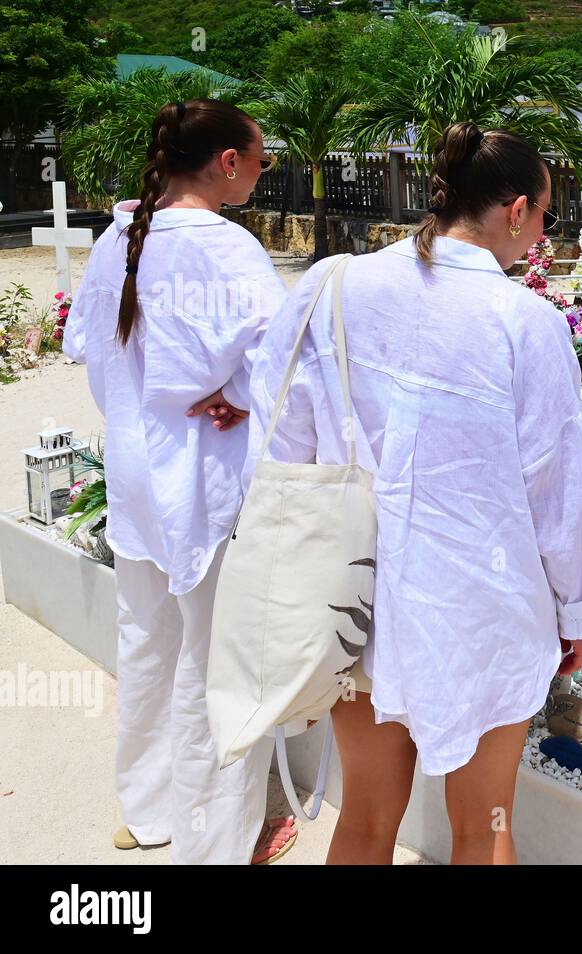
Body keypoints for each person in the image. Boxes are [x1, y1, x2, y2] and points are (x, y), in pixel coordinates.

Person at [245, 122, 582, 865]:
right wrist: (576, 609)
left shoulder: (334, 283)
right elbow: (555, 491)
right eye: (545, 217)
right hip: (476, 609)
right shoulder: (525, 322)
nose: (541, 237)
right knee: (485, 828)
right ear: (514, 210)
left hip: (354, 595)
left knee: (366, 821)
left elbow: (282, 439)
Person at [62, 99, 296, 864]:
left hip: (134, 475)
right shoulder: (229, 251)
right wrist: (233, 395)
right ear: (227, 162)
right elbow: (288, 366)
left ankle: (148, 808)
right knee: (217, 663)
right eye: (260, 160)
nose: (264, 174)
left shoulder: (117, 241)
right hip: (205, 482)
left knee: (147, 641)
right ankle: (214, 841)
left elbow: (83, 344)